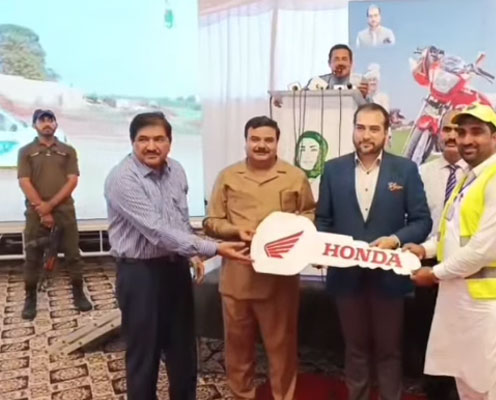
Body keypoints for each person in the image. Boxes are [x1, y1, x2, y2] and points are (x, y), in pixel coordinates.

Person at [104, 112, 250, 400]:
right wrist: (214, 248)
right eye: (143, 140)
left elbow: (178, 219)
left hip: (175, 270)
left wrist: (191, 256)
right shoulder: (122, 179)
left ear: (170, 142)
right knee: (144, 355)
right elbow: (157, 231)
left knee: (183, 350)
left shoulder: (177, 171)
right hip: (140, 275)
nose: (151, 146)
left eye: (159, 139)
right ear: (132, 142)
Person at [405, 103, 496, 400]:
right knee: (470, 387)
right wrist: (423, 249)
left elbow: (483, 250)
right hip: (465, 303)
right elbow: (451, 234)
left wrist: (433, 274)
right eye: (461, 132)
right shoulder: (470, 177)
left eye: (477, 132)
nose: (466, 139)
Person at [316, 103, 431, 400]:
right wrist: (326, 249)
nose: (366, 135)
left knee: (389, 350)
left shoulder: (405, 169)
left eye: (374, 129)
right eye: (360, 127)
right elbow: (323, 220)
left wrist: (394, 239)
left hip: (389, 278)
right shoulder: (333, 169)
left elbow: (422, 221)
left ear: (386, 133)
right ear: (354, 129)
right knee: (355, 349)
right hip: (346, 276)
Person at [203, 116, 315, 400]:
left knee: (282, 349)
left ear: (277, 142)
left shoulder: (294, 177)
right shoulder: (228, 176)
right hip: (237, 277)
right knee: (237, 349)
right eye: (255, 139)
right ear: (246, 141)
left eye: (268, 140)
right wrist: (235, 231)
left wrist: (290, 232)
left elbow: (309, 214)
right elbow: (211, 221)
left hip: (280, 281)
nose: (261, 145)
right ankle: (242, 395)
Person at [17, 109, 91, 320]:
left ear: (56, 125)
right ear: (34, 125)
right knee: (32, 258)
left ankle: (78, 293)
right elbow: (24, 181)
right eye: (42, 120)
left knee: (73, 255)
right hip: (35, 213)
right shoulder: (25, 151)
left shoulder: (68, 151)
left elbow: (72, 180)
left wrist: (49, 206)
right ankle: (30, 298)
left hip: (65, 211)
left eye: (51, 120)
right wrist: (42, 208)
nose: (47, 124)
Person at [415, 109, 468, 400]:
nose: (451, 136)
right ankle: (432, 387)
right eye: (447, 129)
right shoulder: (422, 173)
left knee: (460, 327)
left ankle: (459, 388)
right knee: (428, 326)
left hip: (465, 263)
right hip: (428, 258)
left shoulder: (477, 175)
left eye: (458, 130)